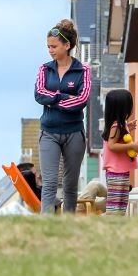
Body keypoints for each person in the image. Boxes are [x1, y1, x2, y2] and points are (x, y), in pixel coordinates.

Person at [34, 19, 91, 215]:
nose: (50, 50)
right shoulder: (44, 69)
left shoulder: (83, 71)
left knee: (70, 183)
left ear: (67, 46)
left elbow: (82, 100)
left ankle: (68, 222)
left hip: (74, 134)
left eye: (54, 46)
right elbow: (39, 94)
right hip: (49, 132)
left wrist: (53, 101)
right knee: (49, 182)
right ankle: (47, 223)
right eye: (48, 46)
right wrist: (63, 97)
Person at [100, 89, 138, 216]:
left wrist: (128, 126)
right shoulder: (116, 126)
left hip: (120, 171)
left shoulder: (120, 125)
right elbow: (112, 145)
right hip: (116, 171)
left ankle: (118, 221)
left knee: (122, 201)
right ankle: (112, 223)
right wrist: (133, 146)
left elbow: (117, 139)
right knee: (116, 203)